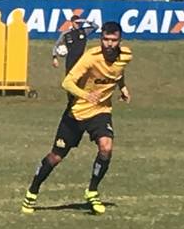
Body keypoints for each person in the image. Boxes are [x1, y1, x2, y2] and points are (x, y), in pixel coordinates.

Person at [21, 20, 132, 216]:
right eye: (105, 39)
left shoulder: (126, 55)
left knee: (106, 147)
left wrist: (122, 87)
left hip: (100, 111)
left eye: (113, 40)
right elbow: (67, 83)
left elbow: (118, 71)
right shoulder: (90, 58)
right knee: (55, 157)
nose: (109, 44)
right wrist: (86, 95)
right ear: (100, 39)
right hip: (77, 112)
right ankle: (32, 191)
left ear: (120, 41)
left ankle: (92, 191)